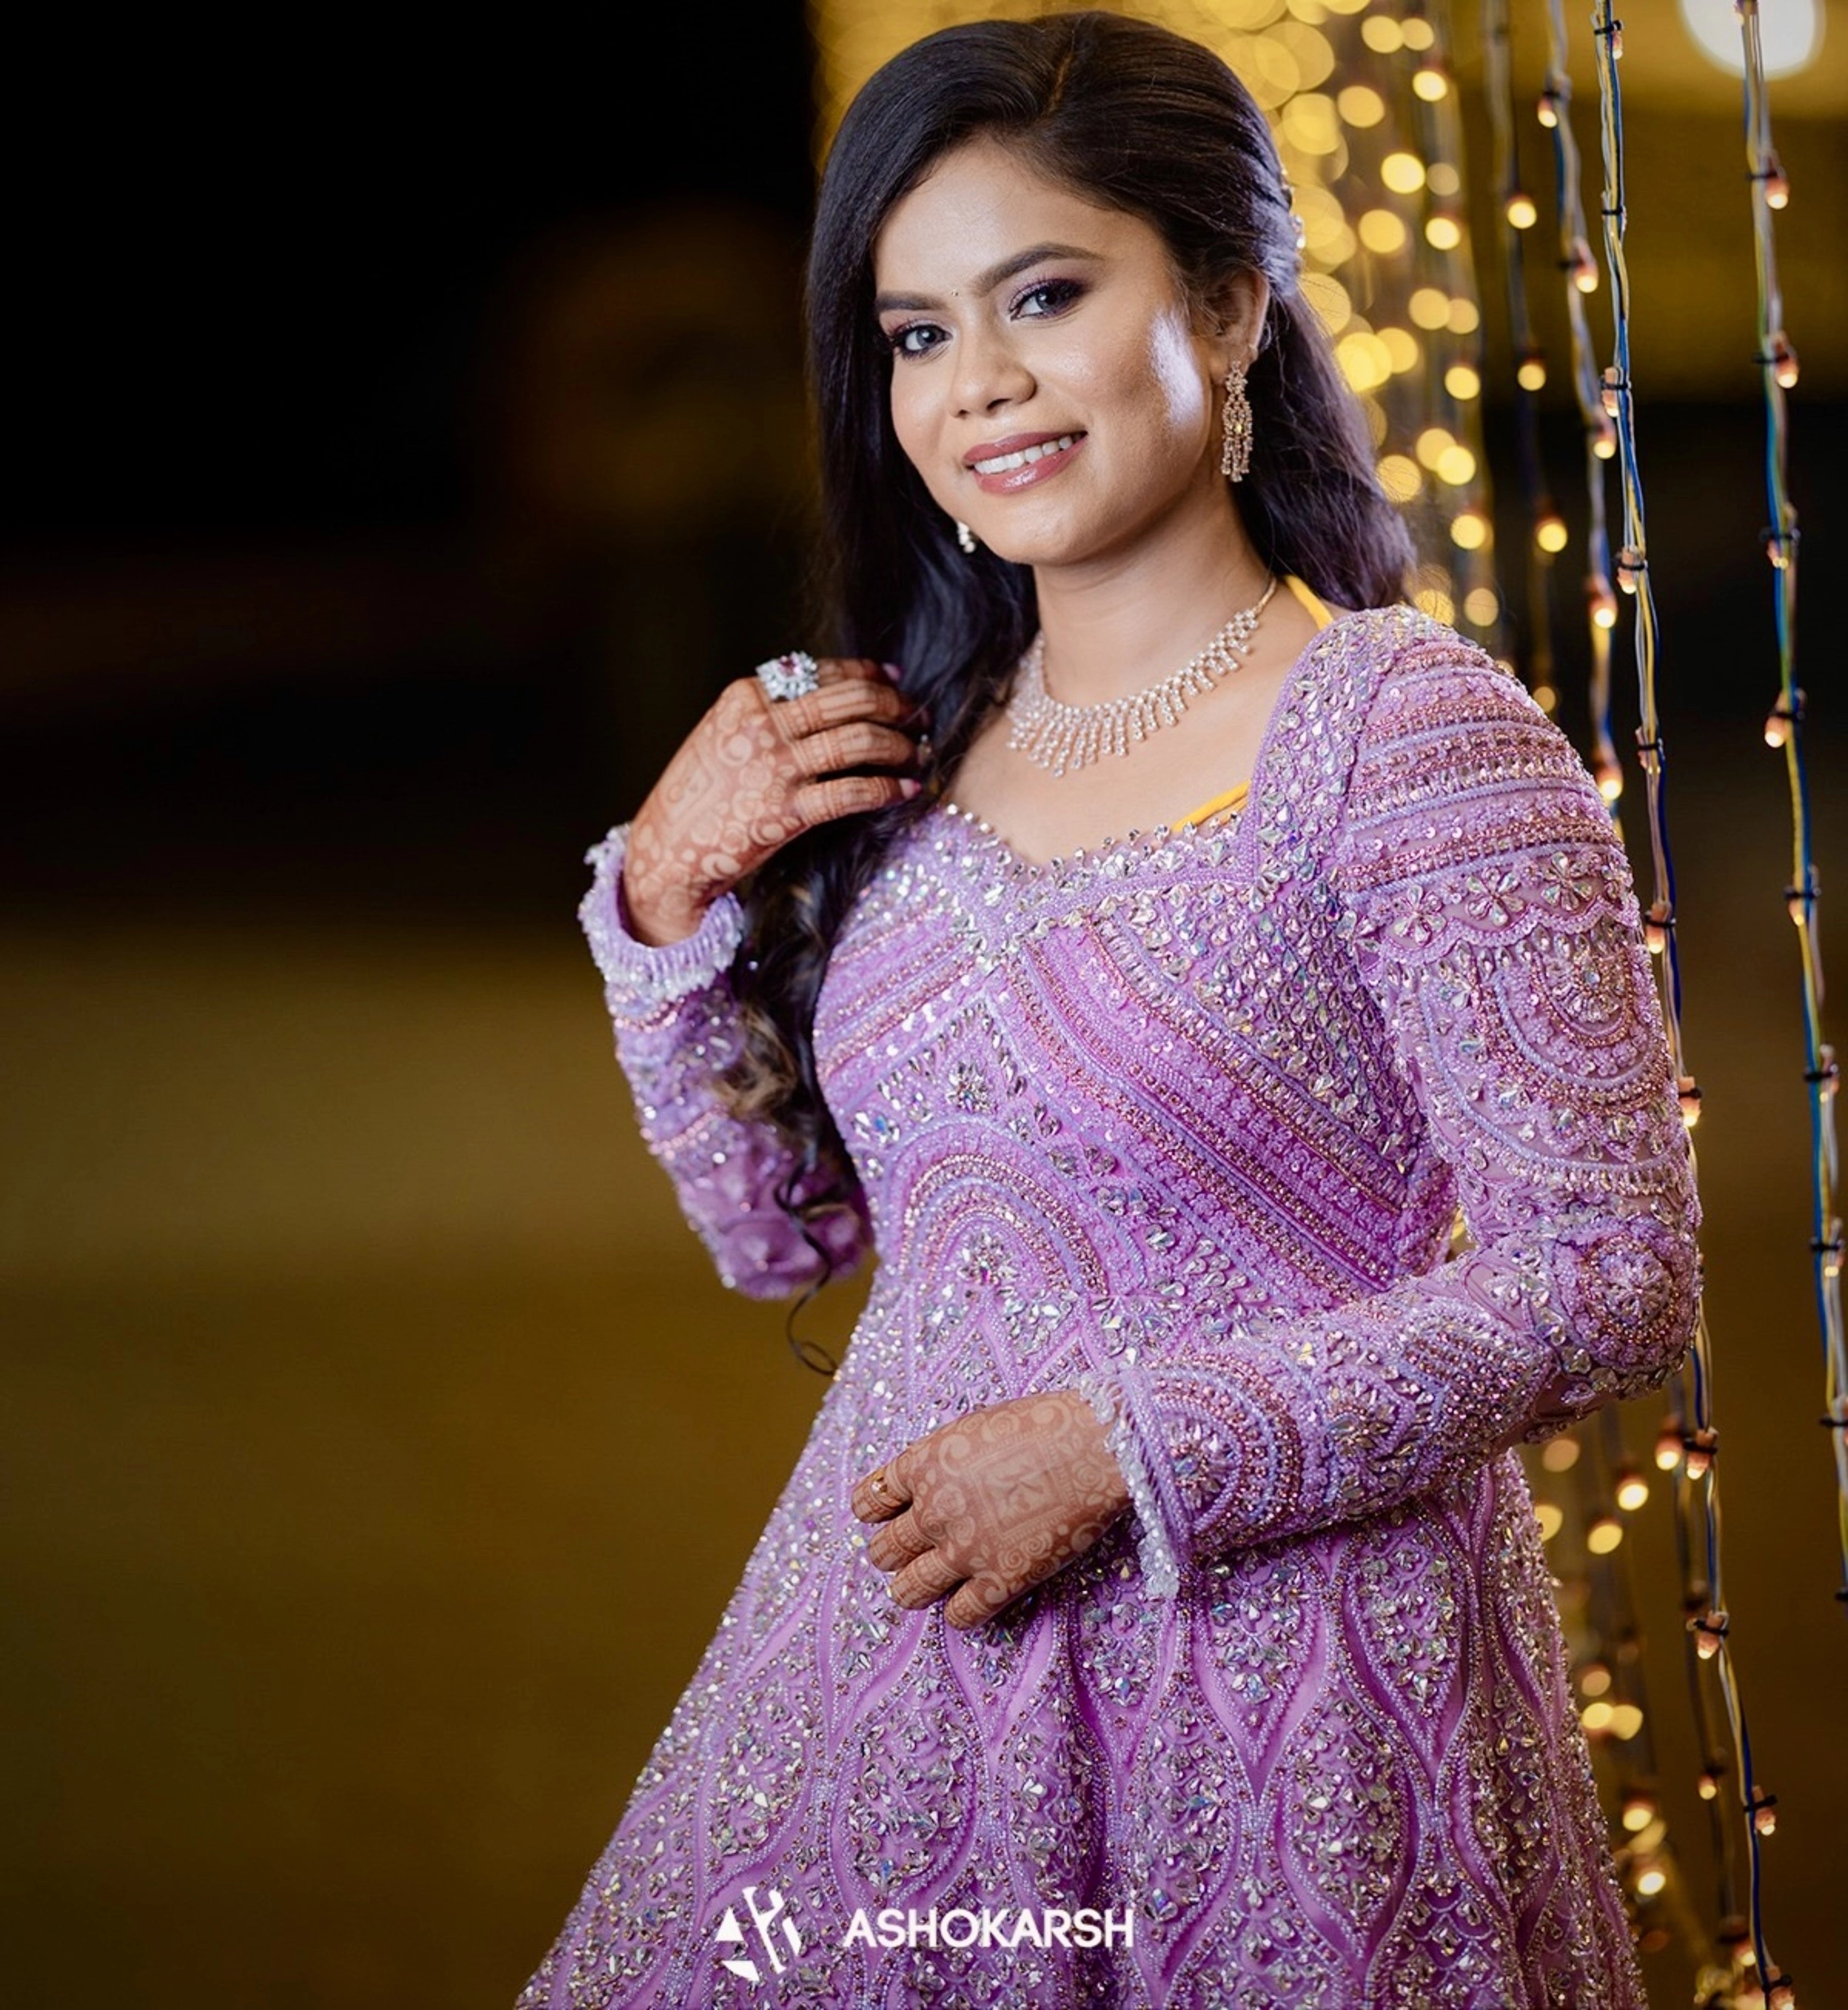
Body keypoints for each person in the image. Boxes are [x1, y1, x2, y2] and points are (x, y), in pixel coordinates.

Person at [514, 12, 1703, 2007]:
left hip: (1283, 1694)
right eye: (913, 336)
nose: (977, 387)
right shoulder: (906, 737)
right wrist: (660, 896)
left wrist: (1124, 1447)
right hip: (893, 1685)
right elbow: (782, 1239)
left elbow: (1613, 1269)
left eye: (1043, 297)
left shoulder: (1401, 737)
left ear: (1231, 307)